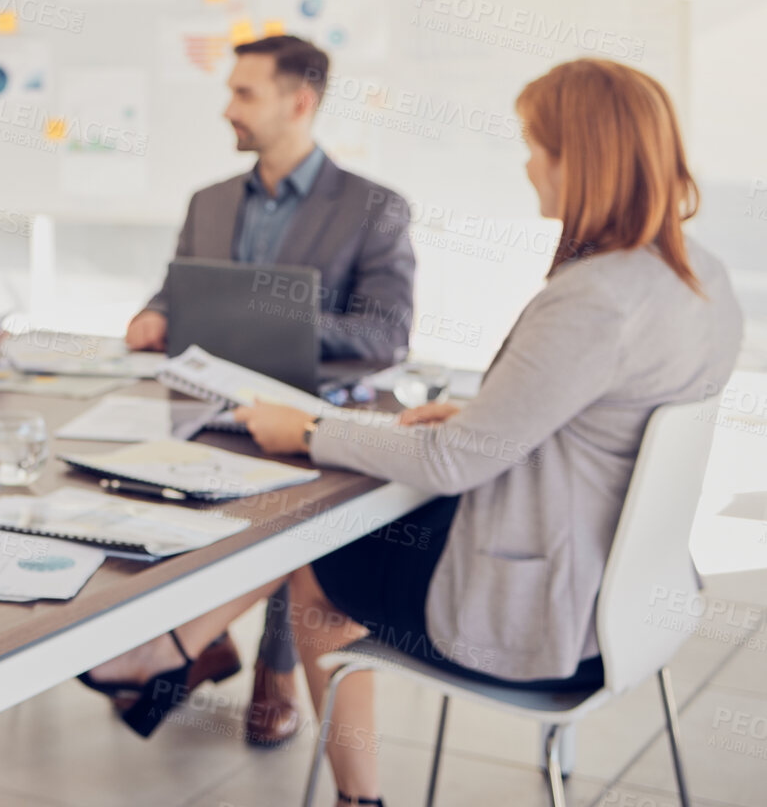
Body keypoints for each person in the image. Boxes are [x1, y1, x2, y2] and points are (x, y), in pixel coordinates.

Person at [87, 59, 741, 807]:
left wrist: (308, 430)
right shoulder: (697, 277)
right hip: (629, 600)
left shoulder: (592, 299)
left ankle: (339, 785)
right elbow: (605, 415)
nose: (527, 162)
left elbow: (454, 462)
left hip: (552, 622)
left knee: (315, 559)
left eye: (535, 144)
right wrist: (479, 415)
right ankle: (166, 651)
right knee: (327, 531)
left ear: (578, 158)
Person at [118, 33, 417, 746]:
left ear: (300, 102)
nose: (228, 108)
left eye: (243, 94)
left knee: (296, 520)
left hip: (310, 419)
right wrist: (154, 314)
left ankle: (272, 666)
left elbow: (386, 335)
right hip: (205, 406)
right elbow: (174, 291)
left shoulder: (374, 207)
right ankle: (195, 639)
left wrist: (274, 316)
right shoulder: (210, 202)